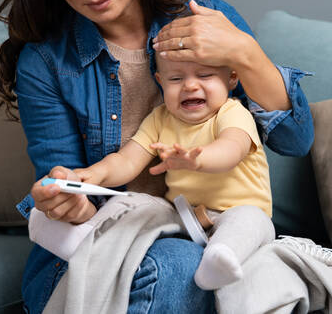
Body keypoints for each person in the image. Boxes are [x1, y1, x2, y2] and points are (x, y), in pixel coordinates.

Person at [0, 0, 314, 314]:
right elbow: (78, 191)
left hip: (211, 233)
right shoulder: (44, 62)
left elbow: (295, 141)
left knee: (186, 264)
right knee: (174, 267)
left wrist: (246, 53)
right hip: (100, 243)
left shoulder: (204, 17)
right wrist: (67, 200)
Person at [63, 53, 275, 291]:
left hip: (237, 211)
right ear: (160, 81)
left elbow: (231, 149)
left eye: (205, 75)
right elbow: (127, 161)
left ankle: (219, 260)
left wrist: (197, 159)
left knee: (252, 222)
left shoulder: (232, 113)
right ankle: (89, 238)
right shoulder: (160, 118)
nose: (190, 85)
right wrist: (95, 174)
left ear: (232, 78)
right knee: (138, 203)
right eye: (175, 79)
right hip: (185, 217)